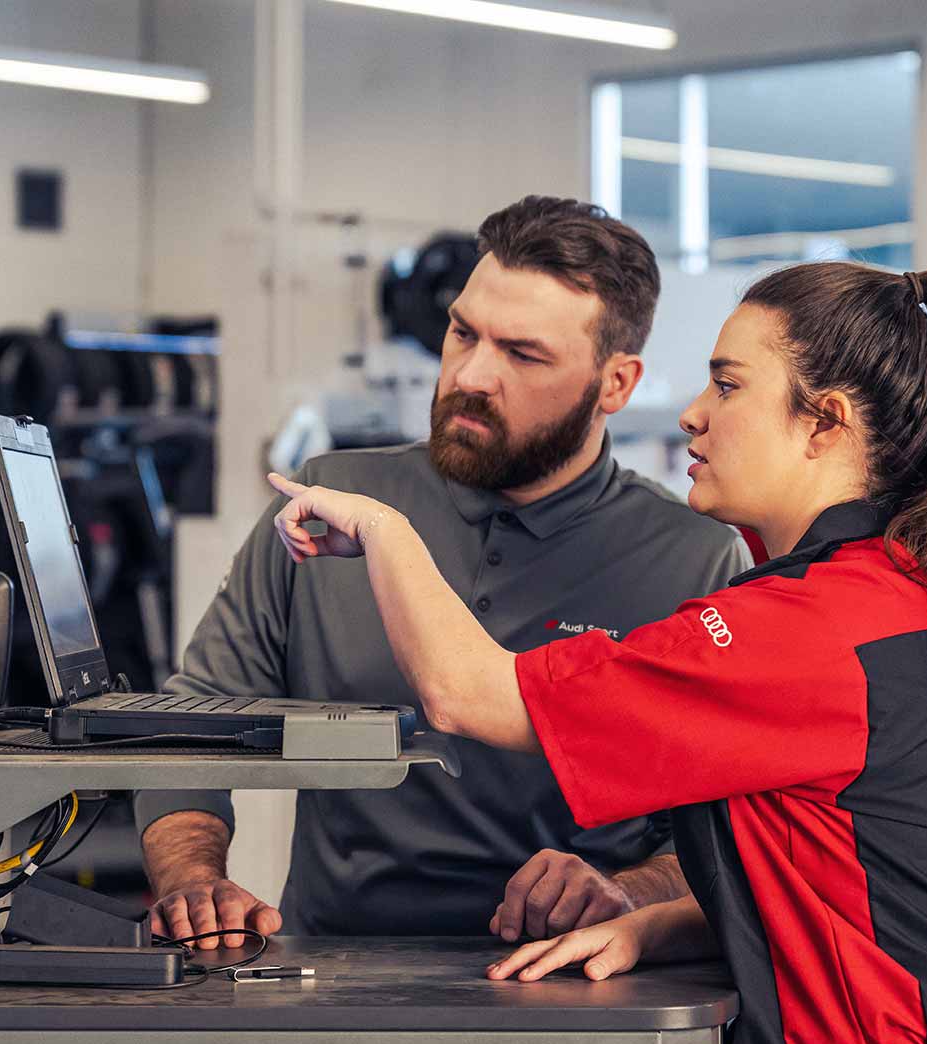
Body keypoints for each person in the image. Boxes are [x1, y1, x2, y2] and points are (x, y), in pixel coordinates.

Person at [264, 262, 927, 1044]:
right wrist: (665, 923)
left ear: (824, 423)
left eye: (728, 386)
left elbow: (469, 694)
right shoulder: (900, 591)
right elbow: (864, 887)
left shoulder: (805, 626)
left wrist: (385, 530)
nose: (693, 415)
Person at [135, 196, 752, 947]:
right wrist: (194, 880)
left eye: (523, 354)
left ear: (615, 384)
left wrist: (627, 888)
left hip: (572, 981)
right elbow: (189, 724)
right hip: (336, 970)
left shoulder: (694, 556)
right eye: (463, 333)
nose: (471, 375)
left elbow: (728, 820)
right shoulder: (329, 500)